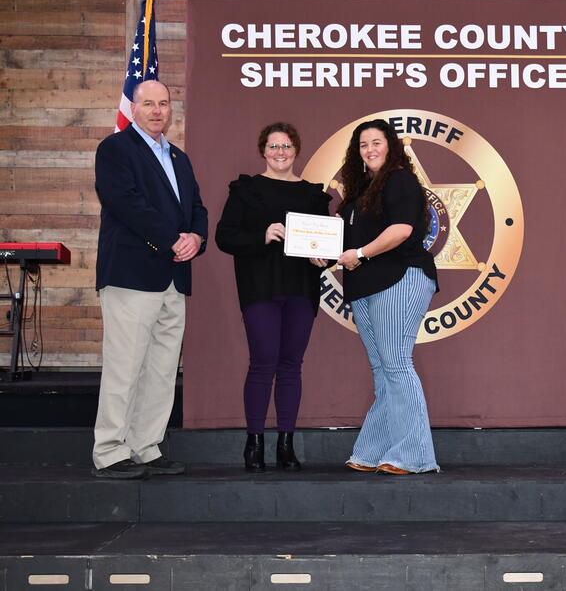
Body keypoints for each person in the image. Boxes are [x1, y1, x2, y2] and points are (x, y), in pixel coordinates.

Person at [92, 80, 208, 479]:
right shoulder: (115, 149)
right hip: (131, 275)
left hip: (173, 277)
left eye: (164, 103)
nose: (157, 110)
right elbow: (125, 203)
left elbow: (195, 206)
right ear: (134, 108)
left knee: (161, 368)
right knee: (125, 366)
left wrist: (197, 237)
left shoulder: (179, 157)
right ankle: (109, 451)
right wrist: (172, 239)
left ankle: (146, 446)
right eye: (149, 104)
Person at [324, 118, 439, 475]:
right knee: (383, 369)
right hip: (365, 286)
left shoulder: (399, 179)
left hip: (400, 277)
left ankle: (415, 455)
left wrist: (359, 254)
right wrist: (322, 254)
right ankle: (374, 451)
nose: (370, 149)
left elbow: (401, 230)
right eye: (363, 145)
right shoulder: (359, 193)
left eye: (376, 142)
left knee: (396, 364)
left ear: (390, 146)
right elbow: (343, 244)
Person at [215, 122, 331, 472]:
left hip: (302, 288)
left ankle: (286, 444)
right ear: (263, 151)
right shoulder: (246, 191)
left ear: (296, 150)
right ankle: (254, 444)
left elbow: (324, 246)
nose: (280, 152)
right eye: (273, 146)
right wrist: (262, 235)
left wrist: (322, 258)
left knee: (291, 366)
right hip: (260, 287)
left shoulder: (314, 195)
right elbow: (224, 237)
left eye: (286, 146)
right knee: (263, 362)